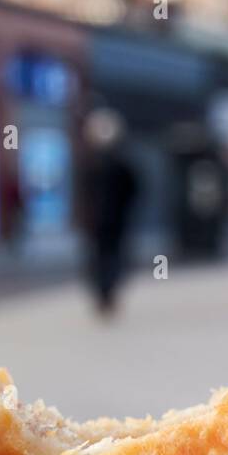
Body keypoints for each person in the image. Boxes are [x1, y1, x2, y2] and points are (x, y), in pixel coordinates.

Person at [77, 108, 139, 315]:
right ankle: (105, 293)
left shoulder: (104, 165)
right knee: (106, 259)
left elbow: (132, 191)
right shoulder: (104, 165)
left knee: (106, 258)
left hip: (107, 222)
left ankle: (105, 293)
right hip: (106, 222)